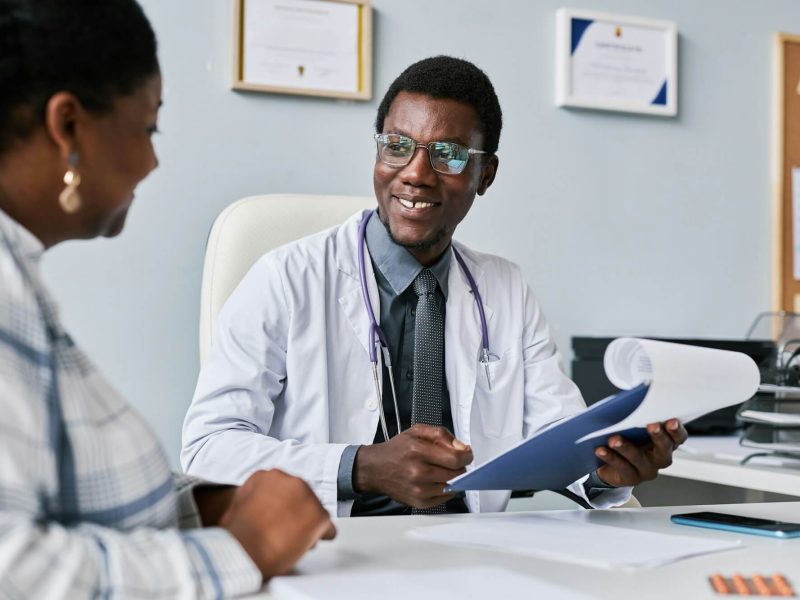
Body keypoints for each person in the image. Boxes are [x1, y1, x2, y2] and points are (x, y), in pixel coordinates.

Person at [182, 56, 688, 517]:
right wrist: (360, 466)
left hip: (468, 553)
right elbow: (207, 447)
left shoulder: (504, 288)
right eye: (398, 147)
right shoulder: (286, 277)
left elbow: (561, 438)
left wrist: (605, 470)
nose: (416, 174)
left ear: (484, 174)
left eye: (447, 154)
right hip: (334, 555)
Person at [0, 1, 334, 597]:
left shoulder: (18, 278)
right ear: (68, 125)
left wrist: (200, 506)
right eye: (147, 127)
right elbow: (15, 569)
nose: (153, 160)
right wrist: (241, 550)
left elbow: (72, 498)